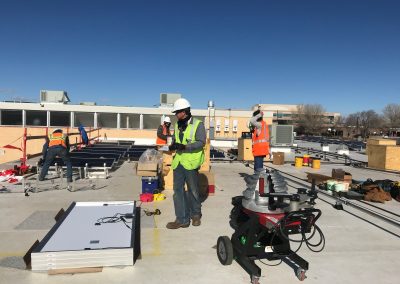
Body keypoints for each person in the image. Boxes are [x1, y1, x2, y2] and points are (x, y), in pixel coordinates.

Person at [166, 98, 206, 229]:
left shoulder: (198, 124)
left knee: (193, 190)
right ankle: (182, 219)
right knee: (178, 191)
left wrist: (184, 147)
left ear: (185, 111)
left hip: (190, 163)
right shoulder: (178, 124)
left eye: (177, 112)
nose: (176, 114)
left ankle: (195, 215)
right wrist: (172, 146)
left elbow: (201, 142)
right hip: (178, 162)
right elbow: (175, 139)